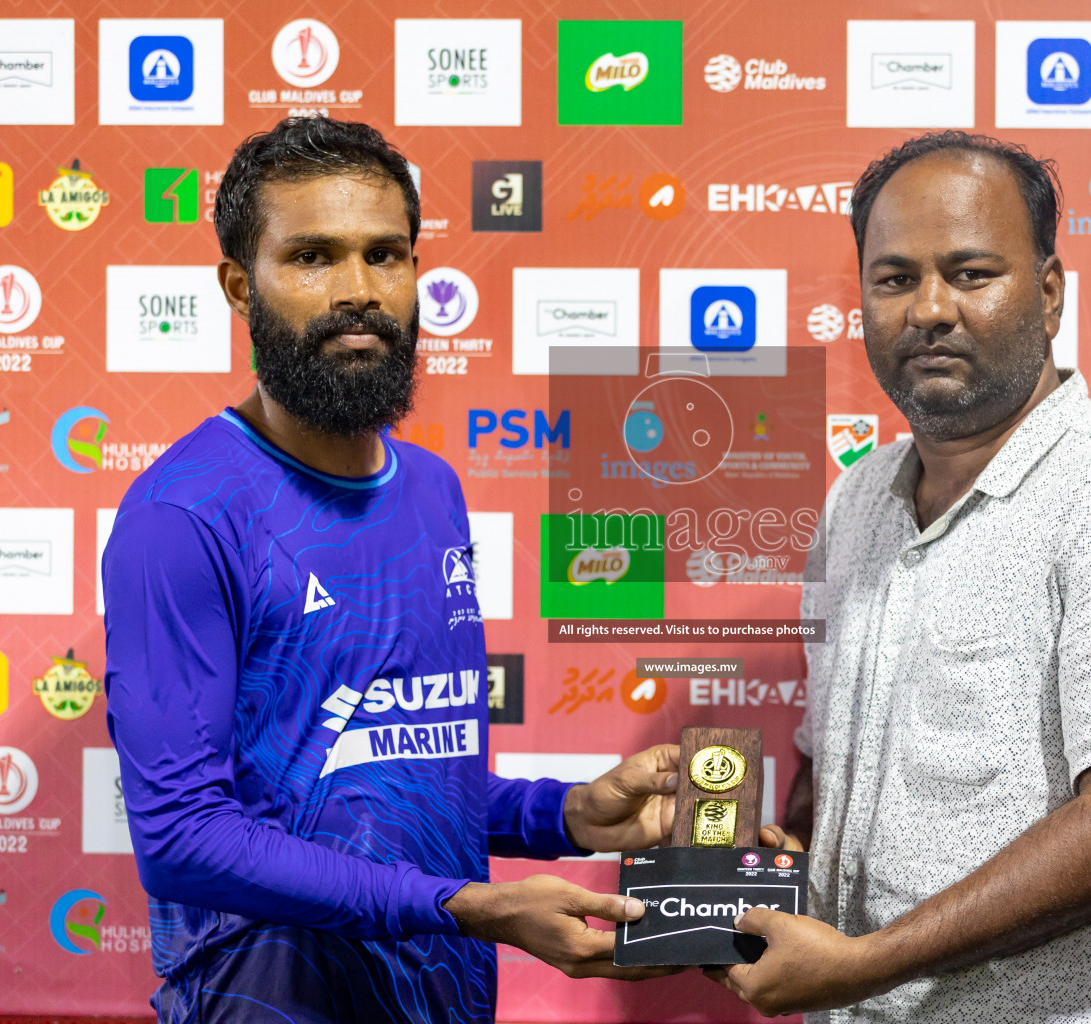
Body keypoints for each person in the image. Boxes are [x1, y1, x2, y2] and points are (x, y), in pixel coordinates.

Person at [102, 117, 678, 1023]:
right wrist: (468, 906)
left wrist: (563, 815)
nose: (360, 291)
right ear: (238, 288)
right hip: (265, 998)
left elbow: (385, 776)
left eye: (387, 255)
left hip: (442, 995)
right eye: (313, 258)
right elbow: (182, 838)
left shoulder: (434, 491)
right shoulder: (183, 515)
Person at [719, 131, 1091, 1021]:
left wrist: (864, 964)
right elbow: (827, 760)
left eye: (971, 274)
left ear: (1048, 295)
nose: (929, 309)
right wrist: (771, 865)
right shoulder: (856, 502)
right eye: (894, 279)